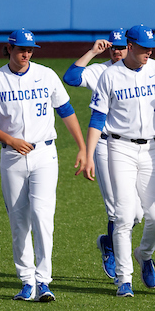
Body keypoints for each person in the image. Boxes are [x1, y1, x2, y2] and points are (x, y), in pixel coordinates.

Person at [0, 30, 89, 302]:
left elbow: (65, 110)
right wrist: (9, 139)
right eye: (21, 49)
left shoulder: (47, 75)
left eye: (30, 49)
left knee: (42, 216)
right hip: (12, 157)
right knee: (19, 220)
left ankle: (44, 281)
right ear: (10, 48)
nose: (26, 54)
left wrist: (82, 146)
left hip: (44, 155)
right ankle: (27, 281)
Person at [85, 24, 155, 297]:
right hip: (119, 149)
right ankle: (124, 280)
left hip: (152, 149)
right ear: (130, 46)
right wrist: (88, 154)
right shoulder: (110, 76)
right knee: (124, 215)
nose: (149, 52)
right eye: (143, 47)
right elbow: (97, 117)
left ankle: (145, 253)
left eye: (151, 47)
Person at [62, 29, 130, 279]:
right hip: (103, 143)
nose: (117, 51)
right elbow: (70, 77)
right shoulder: (101, 70)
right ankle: (118, 256)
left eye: (121, 47)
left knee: (137, 211)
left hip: (134, 146)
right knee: (116, 208)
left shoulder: (144, 72)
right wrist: (92, 52)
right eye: (114, 47)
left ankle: (111, 242)